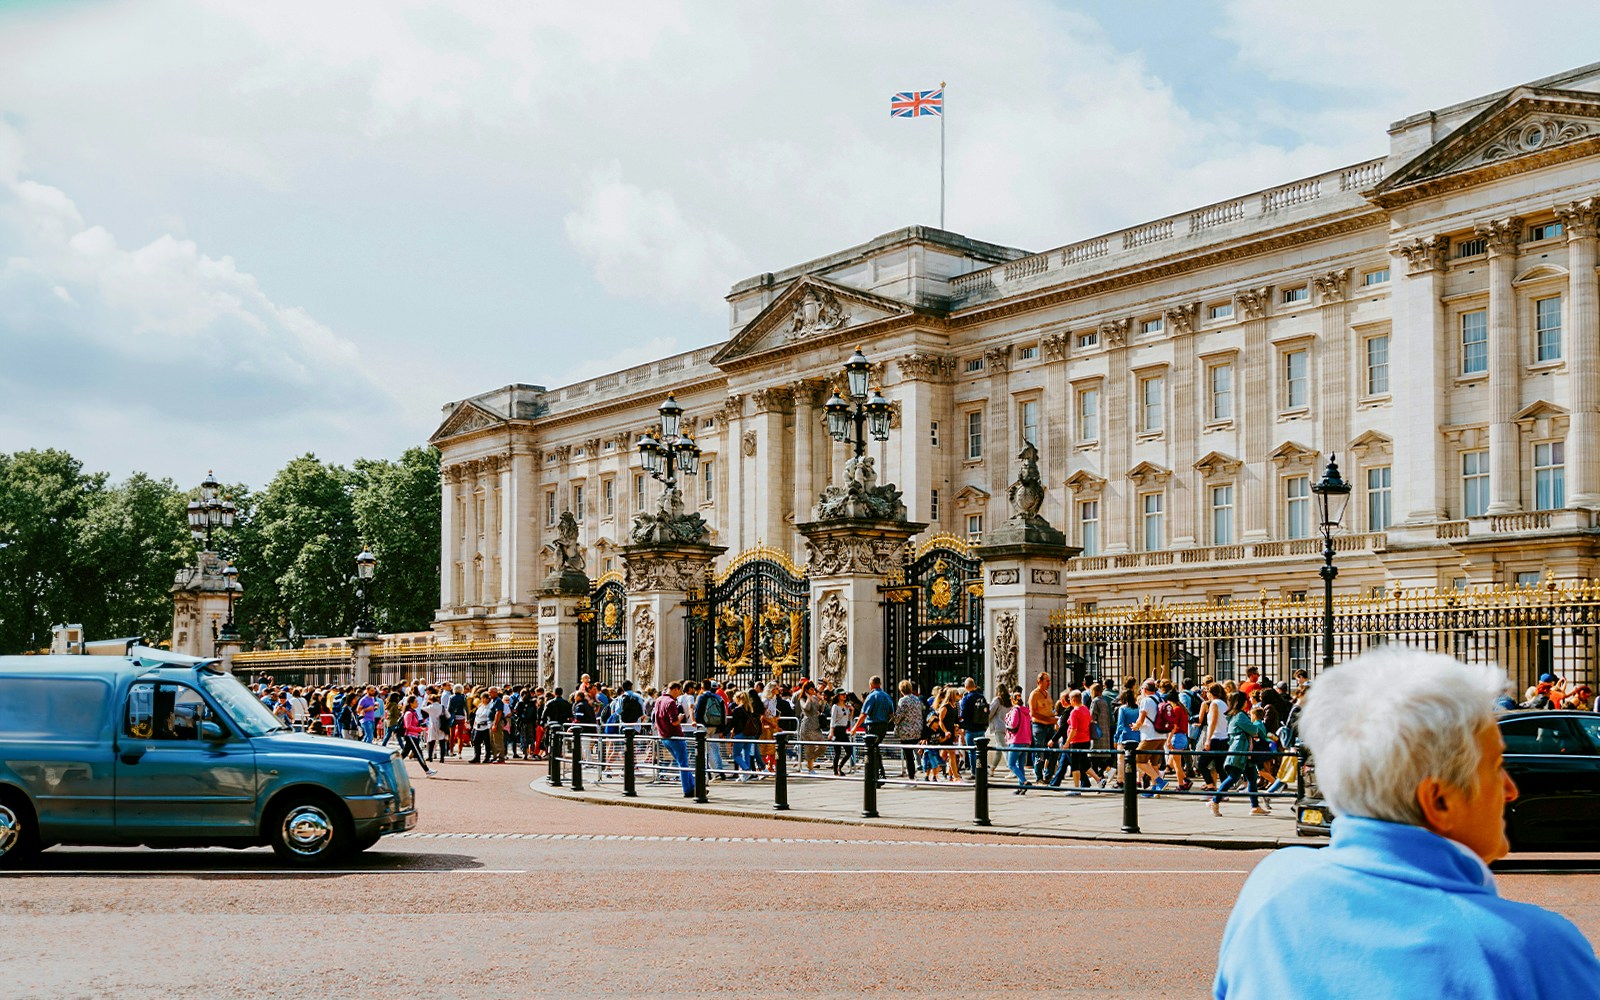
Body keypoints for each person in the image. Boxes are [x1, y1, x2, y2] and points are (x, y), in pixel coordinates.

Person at [1214, 650, 1600, 999]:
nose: (1511, 789)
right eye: (1496, 767)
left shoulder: (1271, 884)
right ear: (1439, 801)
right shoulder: (1532, 947)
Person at [1209, 692, 1268, 816]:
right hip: (1241, 750)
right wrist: (1256, 728)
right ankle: (1215, 801)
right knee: (1234, 777)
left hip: (1245, 750)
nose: (1247, 702)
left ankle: (1255, 806)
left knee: (1252, 778)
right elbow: (1253, 730)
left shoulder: (1236, 715)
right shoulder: (1240, 715)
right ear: (1241, 702)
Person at [654, 681, 695, 797]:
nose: (680, 694)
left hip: (664, 736)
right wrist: (681, 717)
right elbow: (674, 722)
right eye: (680, 691)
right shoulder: (671, 702)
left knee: (682, 763)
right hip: (675, 736)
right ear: (675, 689)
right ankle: (688, 790)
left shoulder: (659, 700)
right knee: (683, 764)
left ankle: (693, 785)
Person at [858, 675, 894, 783]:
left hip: (872, 726)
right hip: (883, 726)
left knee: (871, 750)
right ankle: (880, 773)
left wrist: (855, 727)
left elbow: (864, 714)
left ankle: (876, 775)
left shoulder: (872, 696)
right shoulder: (887, 696)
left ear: (871, 685)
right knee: (876, 750)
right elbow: (892, 714)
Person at [891, 680, 923, 779]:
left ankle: (911, 776)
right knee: (916, 752)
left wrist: (894, 720)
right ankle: (917, 771)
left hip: (906, 732)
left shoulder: (903, 700)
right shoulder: (917, 699)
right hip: (917, 729)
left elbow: (899, 716)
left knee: (908, 756)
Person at [1027, 672, 1056, 783]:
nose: (1049, 683)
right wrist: (1049, 719)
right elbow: (1033, 713)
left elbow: (1048, 710)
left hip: (1050, 726)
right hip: (1039, 726)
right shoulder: (1034, 694)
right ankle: (1039, 777)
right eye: (1047, 681)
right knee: (1039, 752)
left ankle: (1048, 775)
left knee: (1055, 749)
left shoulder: (1047, 693)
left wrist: (1055, 717)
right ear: (1040, 681)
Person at [1004, 695, 1032, 793]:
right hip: (1026, 740)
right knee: (1020, 765)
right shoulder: (1026, 711)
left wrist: (1007, 720)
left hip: (1016, 740)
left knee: (1011, 764)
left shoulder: (1015, 710)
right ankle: (1021, 788)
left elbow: (1013, 724)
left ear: (1013, 701)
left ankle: (1024, 781)